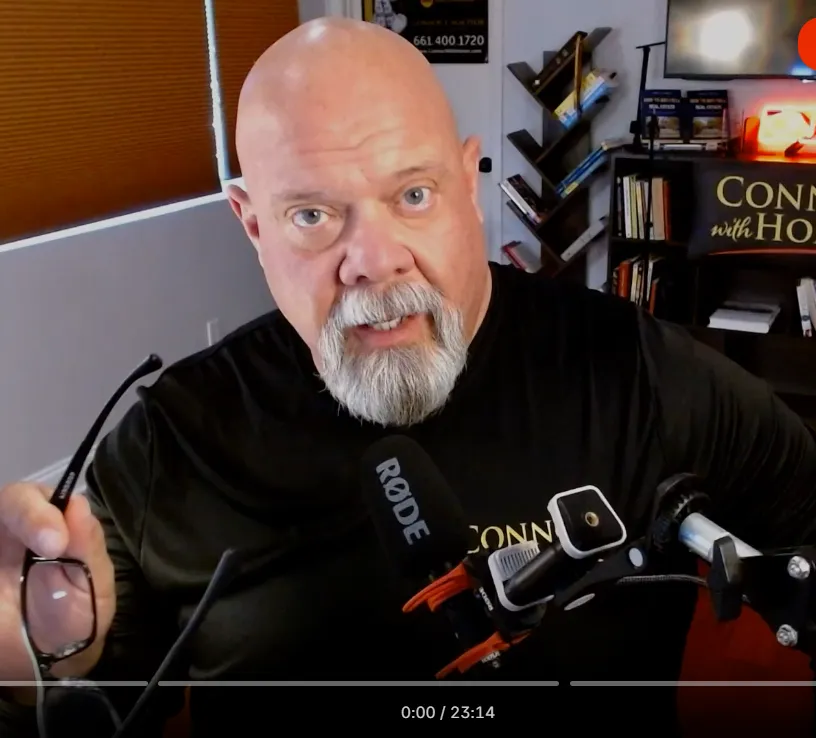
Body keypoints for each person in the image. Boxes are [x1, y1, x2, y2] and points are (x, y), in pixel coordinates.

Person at [1, 15, 816, 736]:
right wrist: (30, 668)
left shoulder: (639, 373)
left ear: (469, 182)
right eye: (312, 215)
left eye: (414, 194)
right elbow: (83, 696)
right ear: (252, 224)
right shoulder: (172, 442)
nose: (374, 260)